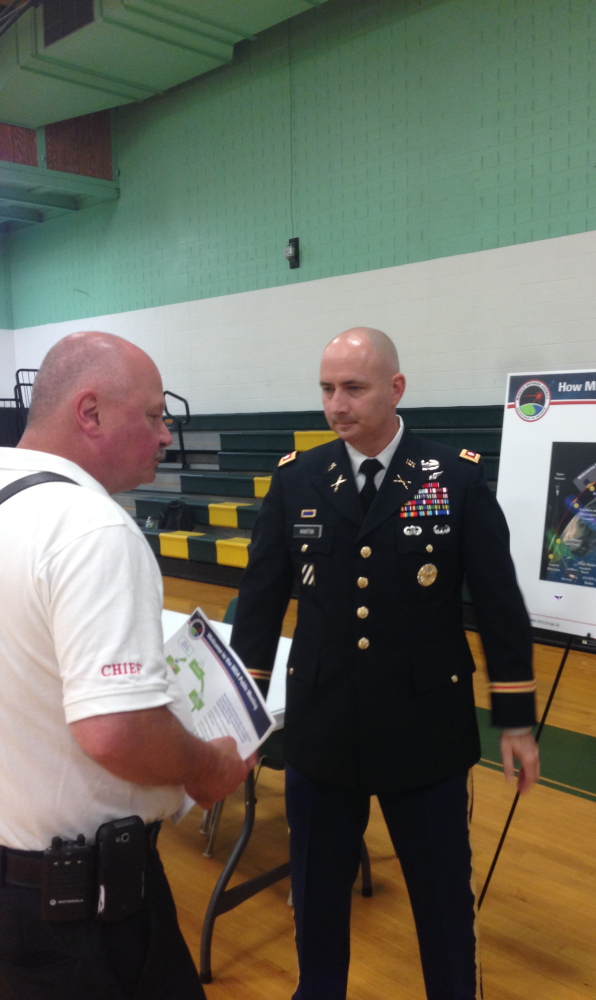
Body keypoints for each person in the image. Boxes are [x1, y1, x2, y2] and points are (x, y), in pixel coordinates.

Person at [231, 327, 539, 1000]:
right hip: (322, 731)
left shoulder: (452, 479)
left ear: (396, 389)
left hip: (425, 732)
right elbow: (257, 606)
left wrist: (515, 719)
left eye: (353, 388)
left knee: (442, 907)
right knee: (315, 905)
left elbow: (498, 603)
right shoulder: (298, 481)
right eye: (326, 388)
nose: (336, 405)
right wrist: (242, 719)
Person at [0, 331, 253, 1000]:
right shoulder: (92, 529)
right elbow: (114, 730)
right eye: (153, 414)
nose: (166, 435)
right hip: (78, 914)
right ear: (90, 413)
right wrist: (207, 768)